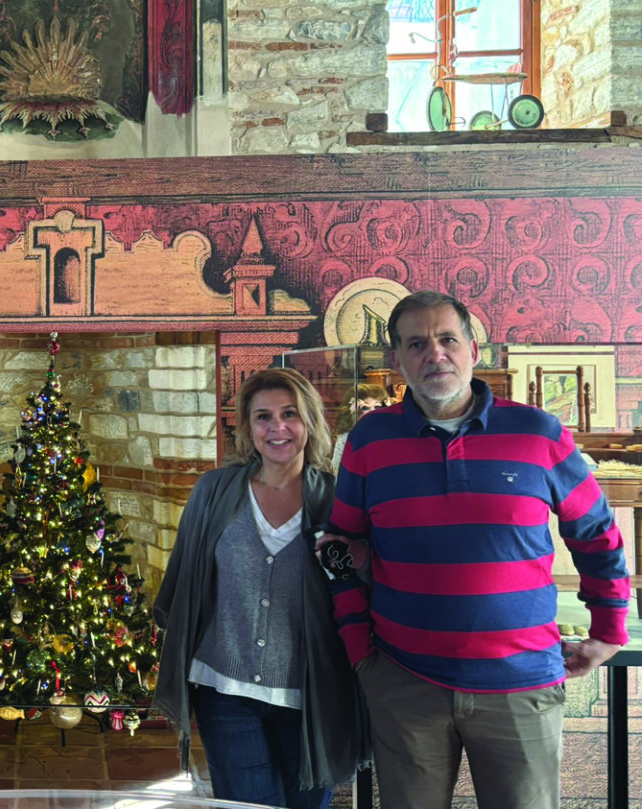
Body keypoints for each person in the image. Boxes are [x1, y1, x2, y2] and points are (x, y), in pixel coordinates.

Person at [323, 290, 632, 809]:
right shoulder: (370, 440)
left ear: (473, 349)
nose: (435, 353)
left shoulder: (537, 431)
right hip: (405, 682)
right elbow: (338, 548)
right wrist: (360, 652)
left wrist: (609, 629)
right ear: (397, 360)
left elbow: (596, 532)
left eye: (447, 339)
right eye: (417, 344)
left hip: (521, 683)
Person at [152, 368, 368, 809]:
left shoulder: (336, 500)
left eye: (289, 414)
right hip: (224, 691)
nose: (277, 427)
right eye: (263, 417)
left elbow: (362, 588)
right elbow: (183, 580)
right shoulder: (214, 492)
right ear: (248, 428)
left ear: (309, 422)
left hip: (311, 694)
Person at [330, 382, 389, 471]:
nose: (372, 412)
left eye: (377, 407)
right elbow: (338, 470)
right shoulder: (347, 437)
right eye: (365, 408)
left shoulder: (389, 433)